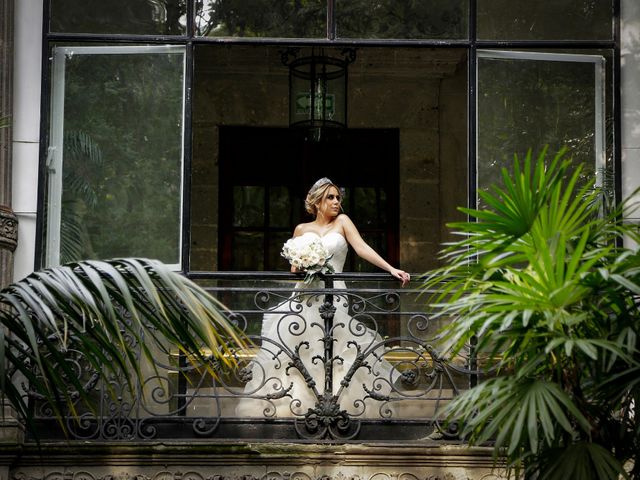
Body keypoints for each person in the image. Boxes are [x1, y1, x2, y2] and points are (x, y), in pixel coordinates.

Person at [234, 178, 410, 419]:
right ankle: (297, 405)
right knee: (300, 345)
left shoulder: (343, 222)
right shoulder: (301, 230)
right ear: (317, 202)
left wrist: (391, 269)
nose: (337, 202)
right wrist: (307, 262)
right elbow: (295, 270)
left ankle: (340, 405)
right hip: (306, 295)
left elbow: (361, 248)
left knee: (337, 346)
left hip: (334, 293)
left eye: (338, 198)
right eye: (331, 197)